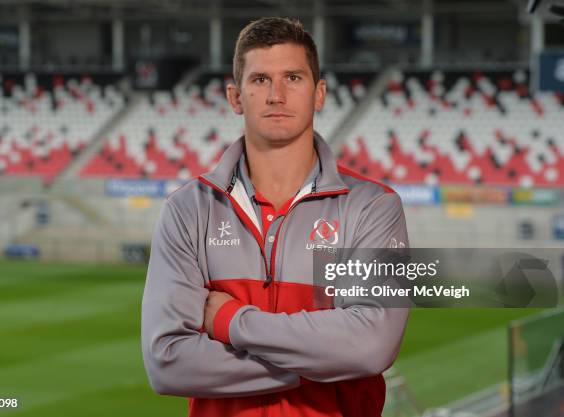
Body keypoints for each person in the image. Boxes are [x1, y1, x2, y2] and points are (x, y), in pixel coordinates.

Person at [142, 17, 409, 417]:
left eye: (293, 78)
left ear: (319, 94)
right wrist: (316, 363)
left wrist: (231, 321)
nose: (277, 95)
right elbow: (167, 363)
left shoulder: (374, 206)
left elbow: (372, 346)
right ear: (236, 97)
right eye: (261, 80)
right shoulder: (188, 209)